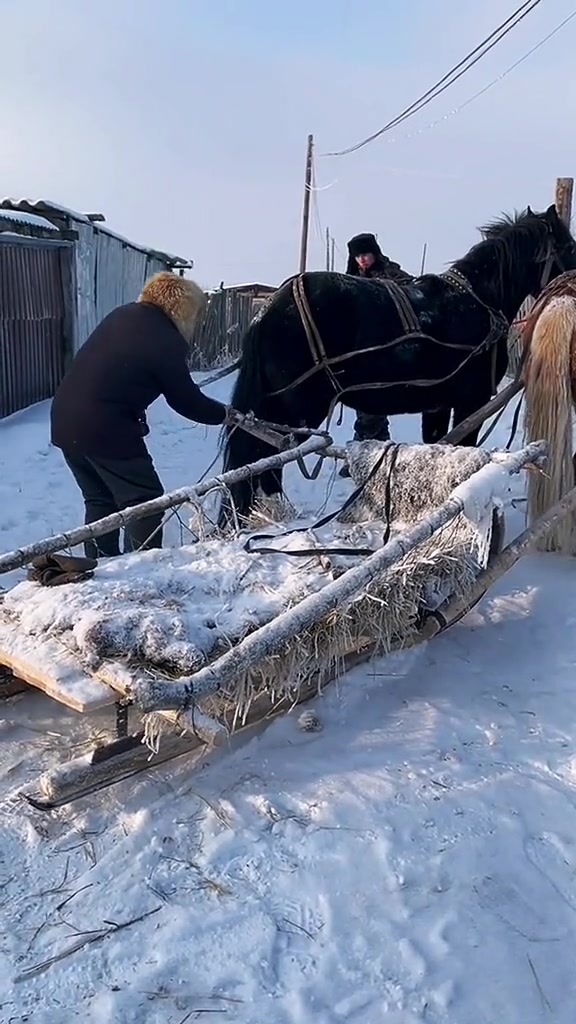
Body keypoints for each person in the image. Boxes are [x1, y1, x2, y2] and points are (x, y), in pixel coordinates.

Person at [51, 272, 231, 558]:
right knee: (144, 502)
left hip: (65, 421)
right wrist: (225, 415)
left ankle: (100, 566)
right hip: (105, 428)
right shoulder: (165, 338)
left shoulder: (123, 315)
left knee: (101, 499)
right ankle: (139, 569)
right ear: (183, 310)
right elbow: (187, 401)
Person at [340, 233, 413, 476]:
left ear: (375, 253)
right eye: (357, 256)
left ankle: (363, 457)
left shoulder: (392, 275)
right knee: (368, 404)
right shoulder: (349, 281)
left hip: (388, 348)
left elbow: (412, 293)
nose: (362, 260)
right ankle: (376, 454)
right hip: (359, 350)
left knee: (372, 403)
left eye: (366, 254)